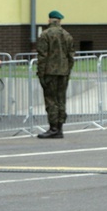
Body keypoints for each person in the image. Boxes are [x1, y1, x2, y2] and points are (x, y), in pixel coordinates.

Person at [36, 10, 75, 139]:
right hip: (63, 72)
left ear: (49, 20)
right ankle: (60, 127)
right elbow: (71, 56)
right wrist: (67, 70)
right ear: (59, 21)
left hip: (49, 72)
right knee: (61, 100)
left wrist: (40, 74)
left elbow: (42, 56)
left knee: (51, 100)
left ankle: (53, 128)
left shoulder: (45, 35)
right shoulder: (67, 35)